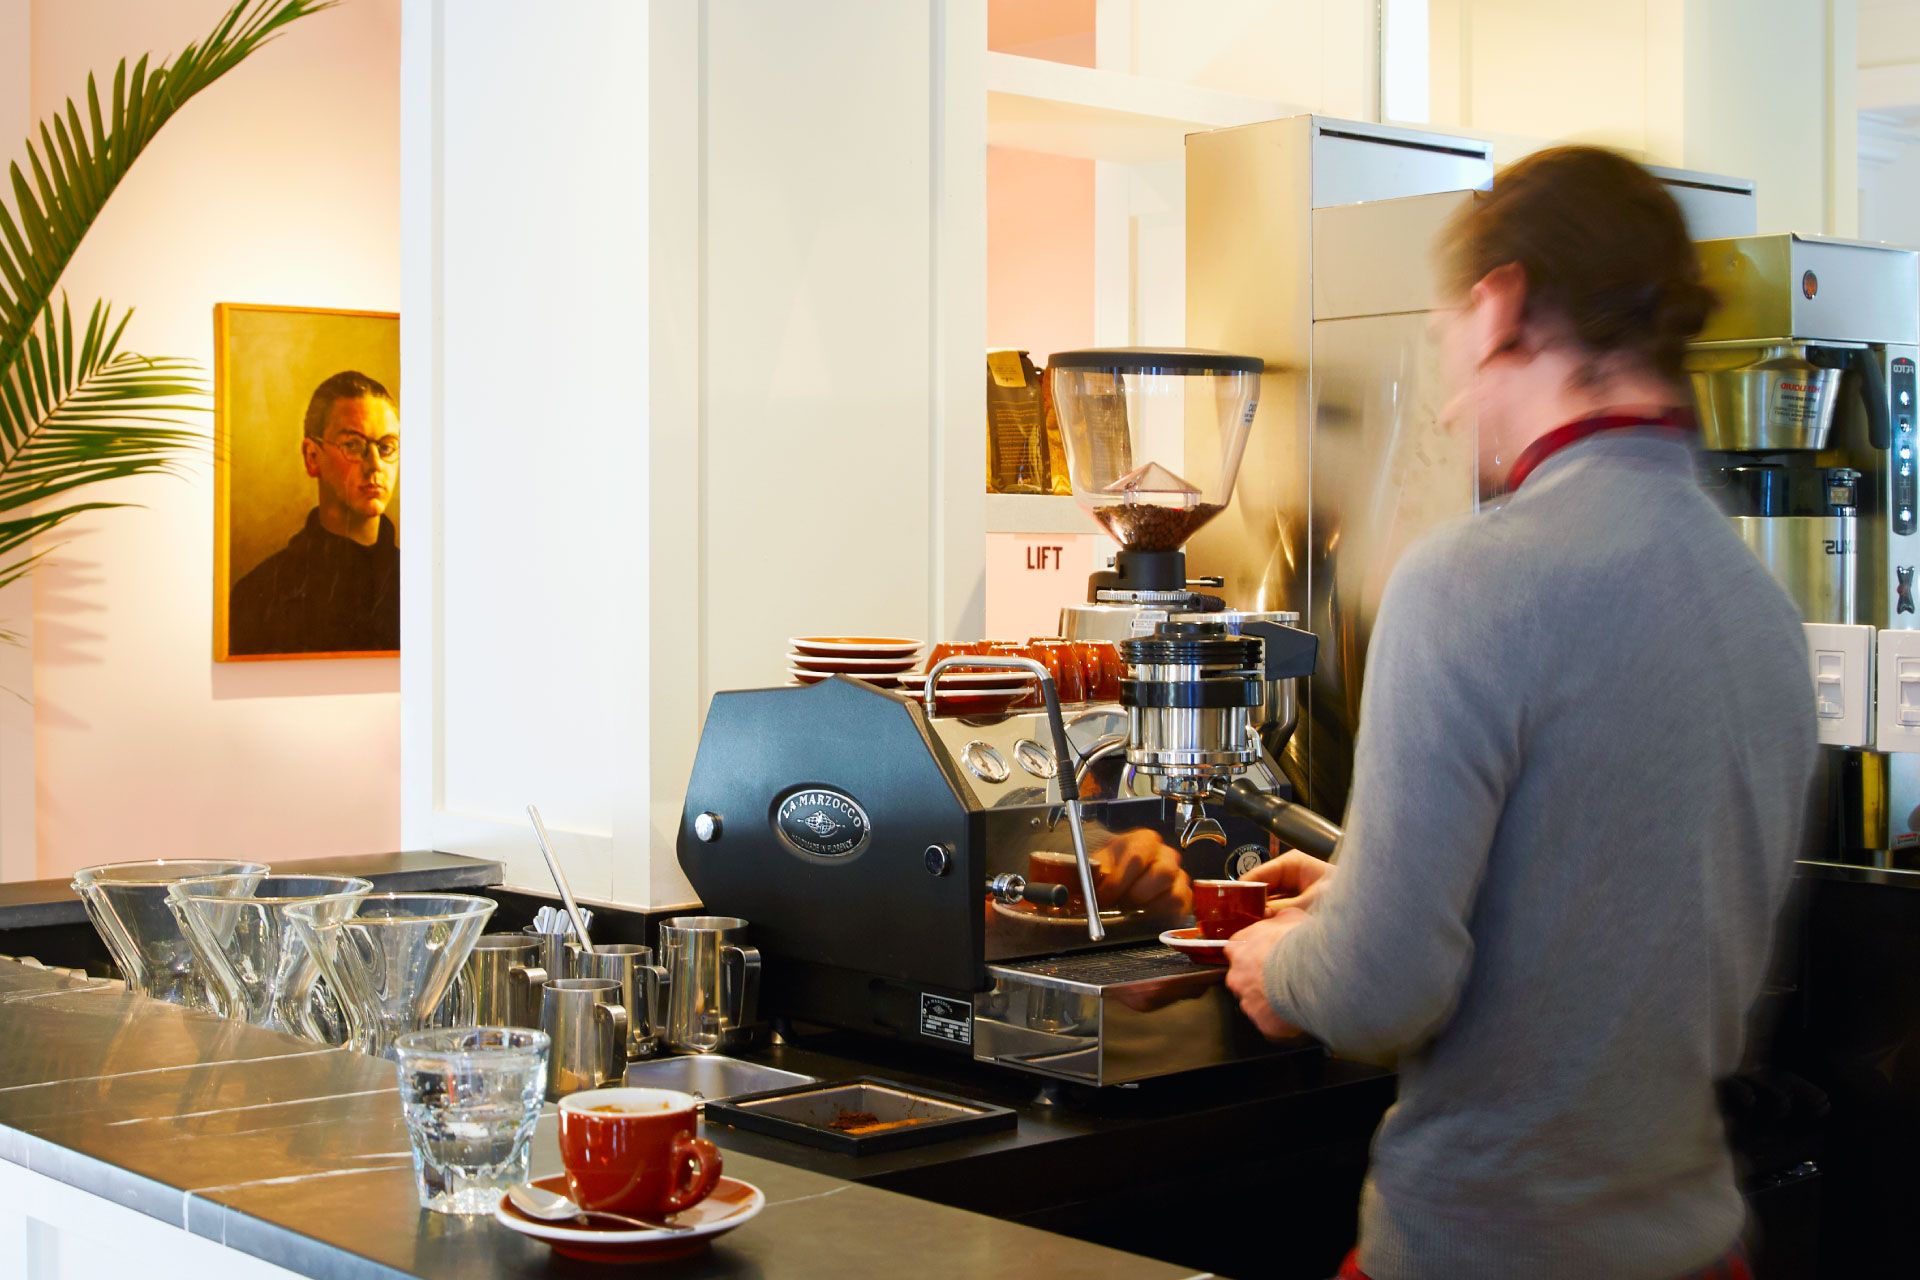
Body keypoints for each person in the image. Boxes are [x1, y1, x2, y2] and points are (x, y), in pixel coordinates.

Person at [1218, 146, 1816, 1279]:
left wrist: (1281, 961)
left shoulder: (1471, 580)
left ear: (1500, 307)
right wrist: (1353, 890)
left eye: (1451, 348)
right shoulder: (1758, 607)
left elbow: (1380, 990)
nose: (1451, 403)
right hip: (1696, 1244)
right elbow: (1610, 912)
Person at [229, 370, 400, 656]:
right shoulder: (260, 594)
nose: (375, 465)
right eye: (353, 445)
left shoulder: (422, 585)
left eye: (386, 447)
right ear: (312, 457)